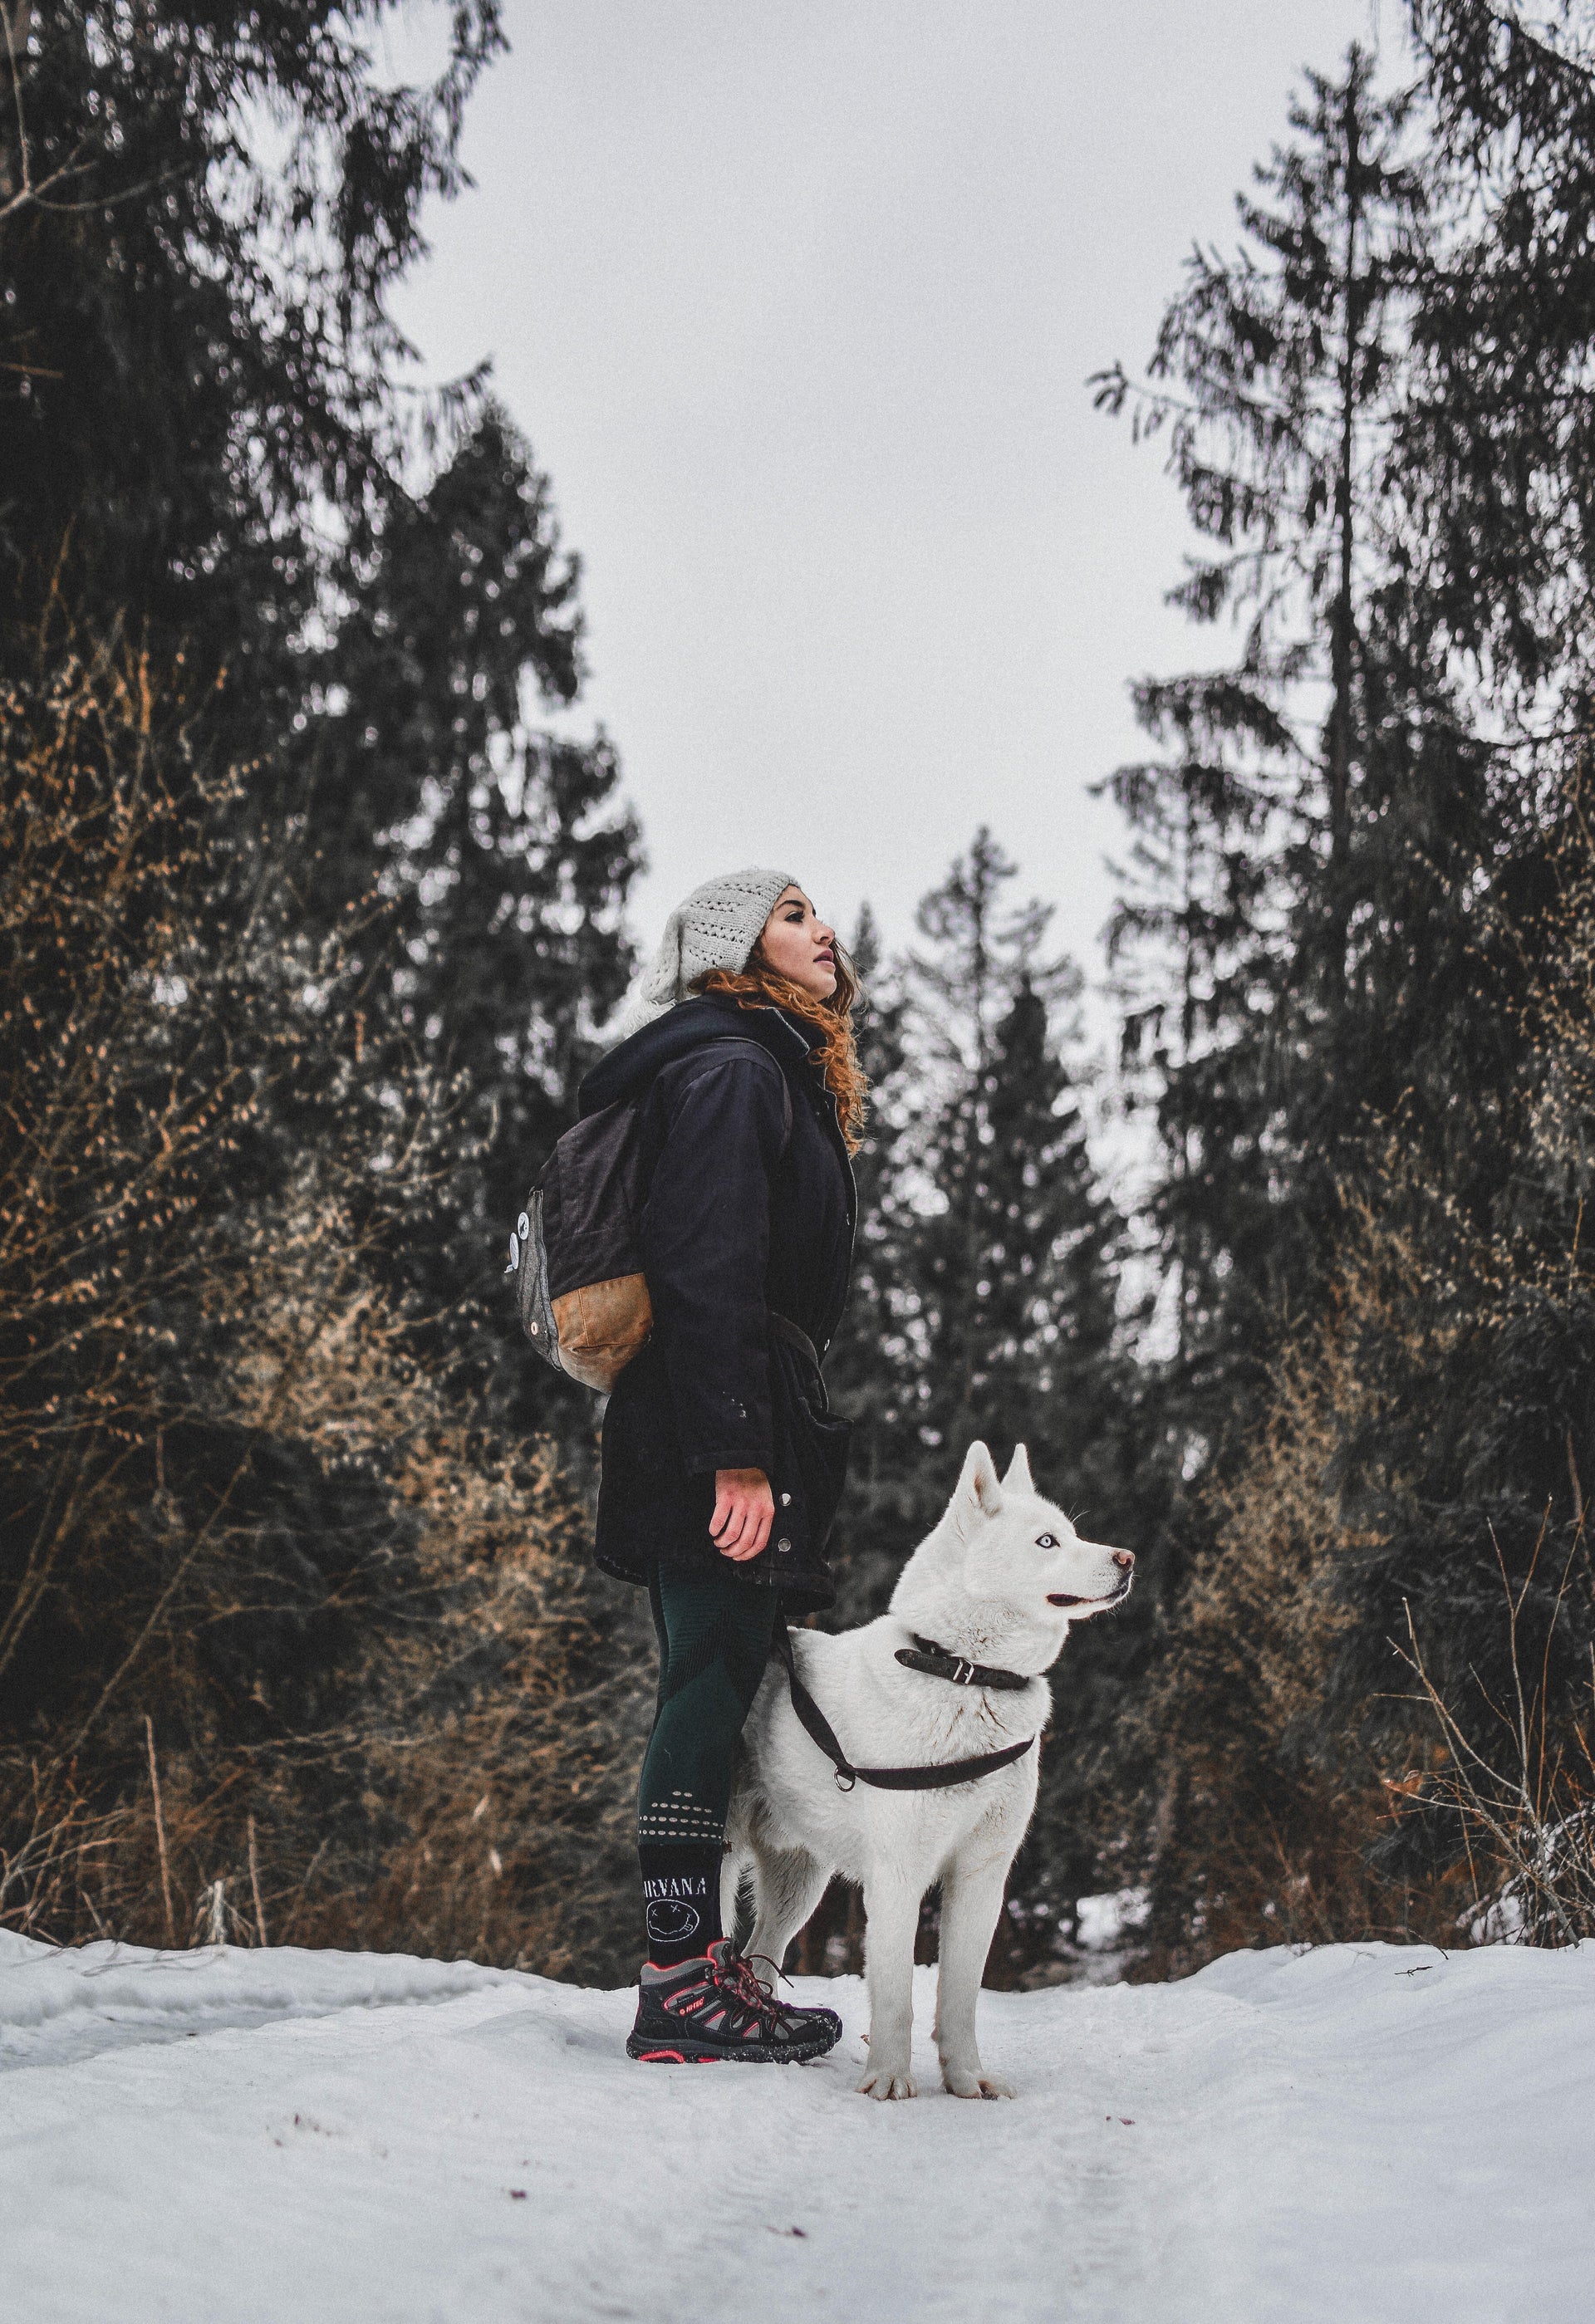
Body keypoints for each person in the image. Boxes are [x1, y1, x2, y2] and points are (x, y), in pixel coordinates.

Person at [578, 868, 864, 2063]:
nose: (824, 929)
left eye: (820, 911)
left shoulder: (760, 1064)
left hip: (732, 1404)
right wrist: (735, 1457)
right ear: (731, 949)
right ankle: (678, 1982)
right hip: (712, 1419)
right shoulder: (736, 1065)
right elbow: (706, 1260)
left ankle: (701, 1973)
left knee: (724, 1670)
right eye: (793, 914)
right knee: (705, 1677)